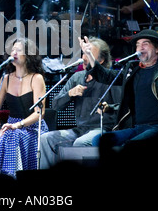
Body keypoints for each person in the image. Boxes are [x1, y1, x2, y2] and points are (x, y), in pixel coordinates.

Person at [83, 29, 158, 147]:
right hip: (136, 127)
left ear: (157, 49)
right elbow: (105, 76)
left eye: (145, 44)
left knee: (130, 146)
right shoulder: (133, 70)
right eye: (137, 45)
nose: (140, 48)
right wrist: (89, 54)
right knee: (99, 140)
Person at [39, 37, 121, 169]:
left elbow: (121, 106)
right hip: (80, 129)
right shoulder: (77, 77)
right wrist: (69, 94)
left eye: (89, 53)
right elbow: (55, 106)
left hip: (103, 129)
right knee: (45, 139)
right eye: (84, 53)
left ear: (100, 60)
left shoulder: (112, 78)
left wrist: (108, 108)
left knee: (81, 143)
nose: (84, 57)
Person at [0, 37, 49, 177]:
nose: (14, 53)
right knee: (5, 138)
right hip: (10, 128)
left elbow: (39, 113)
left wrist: (18, 125)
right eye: (12, 50)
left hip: (33, 128)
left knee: (13, 135)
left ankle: (13, 177)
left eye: (18, 50)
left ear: (28, 55)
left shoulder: (36, 78)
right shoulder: (6, 79)